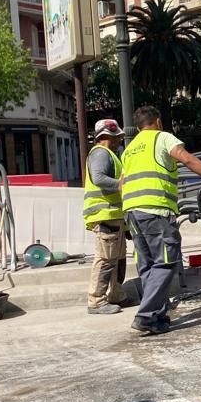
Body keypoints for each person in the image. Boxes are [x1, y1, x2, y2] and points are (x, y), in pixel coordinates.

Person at [121, 106, 201, 336]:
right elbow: (188, 160)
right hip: (155, 210)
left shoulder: (129, 149)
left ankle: (157, 316)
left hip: (132, 212)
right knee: (167, 262)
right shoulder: (162, 137)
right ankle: (145, 315)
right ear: (158, 122)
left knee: (148, 265)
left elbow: (122, 183)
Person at [83, 119, 130, 315]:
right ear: (105, 136)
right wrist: (122, 184)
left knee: (117, 258)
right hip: (105, 215)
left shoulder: (109, 154)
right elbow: (99, 178)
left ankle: (116, 295)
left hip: (113, 216)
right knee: (105, 259)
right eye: (116, 137)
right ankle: (97, 301)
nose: (119, 140)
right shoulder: (101, 153)